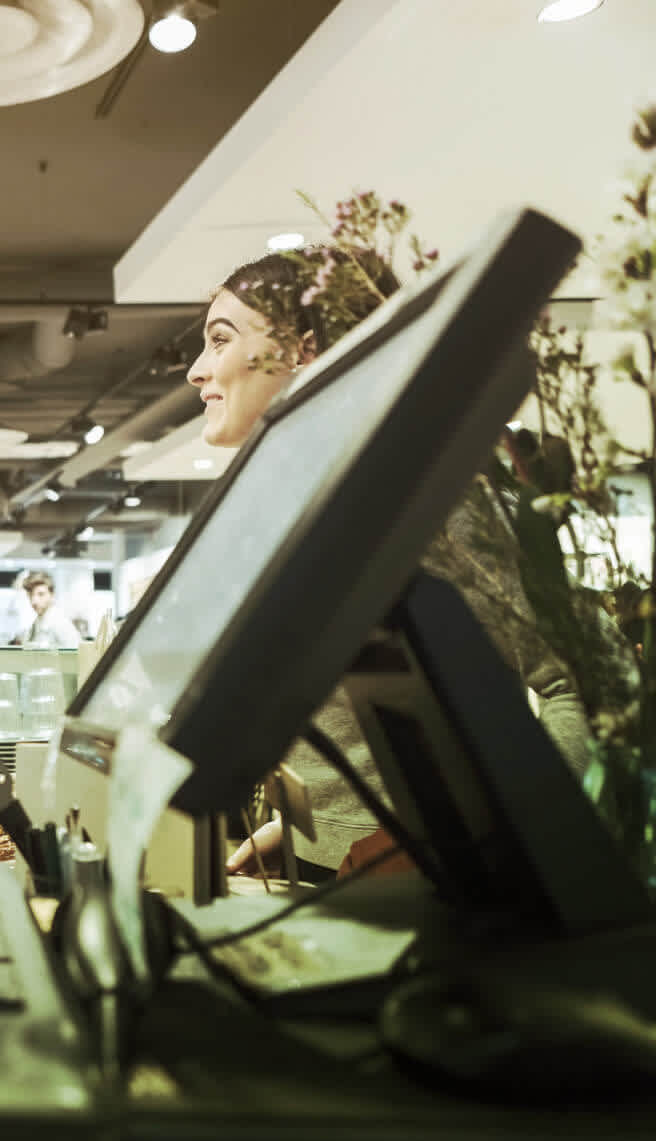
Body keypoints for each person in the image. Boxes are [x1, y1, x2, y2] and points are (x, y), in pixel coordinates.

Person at [185, 248, 590, 879]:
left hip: (427, 888)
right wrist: (308, 821)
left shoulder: (429, 501)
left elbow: (571, 687)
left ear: (305, 350)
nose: (195, 369)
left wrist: (481, 850)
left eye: (219, 340)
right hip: (324, 869)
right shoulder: (302, 500)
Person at [14, 569, 81, 649]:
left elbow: (78, 655)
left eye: (41, 594)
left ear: (52, 595)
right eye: (31, 595)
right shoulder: (37, 623)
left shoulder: (60, 623)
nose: (34, 601)